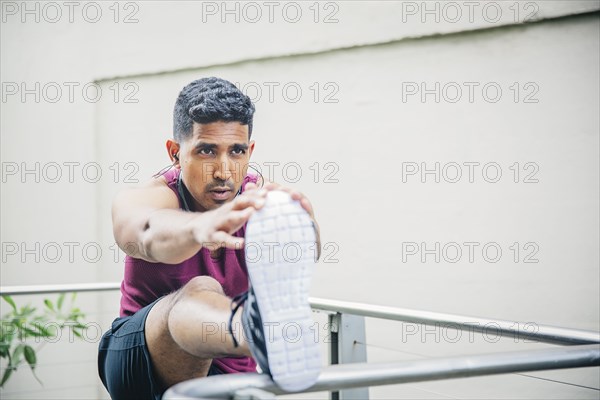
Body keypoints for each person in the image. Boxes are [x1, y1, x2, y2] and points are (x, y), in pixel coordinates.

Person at [98, 77, 322, 399]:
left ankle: (269, 335)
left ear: (250, 151)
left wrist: (306, 224)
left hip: (230, 366)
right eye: (206, 151)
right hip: (138, 355)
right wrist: (199, 227)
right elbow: (145, 233)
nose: (223, 171)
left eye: (237, 151)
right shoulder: (152, 196)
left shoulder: (260, 201)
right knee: (203, 288)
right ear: (175, 153)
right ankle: (262, 333)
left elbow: (306, 251)